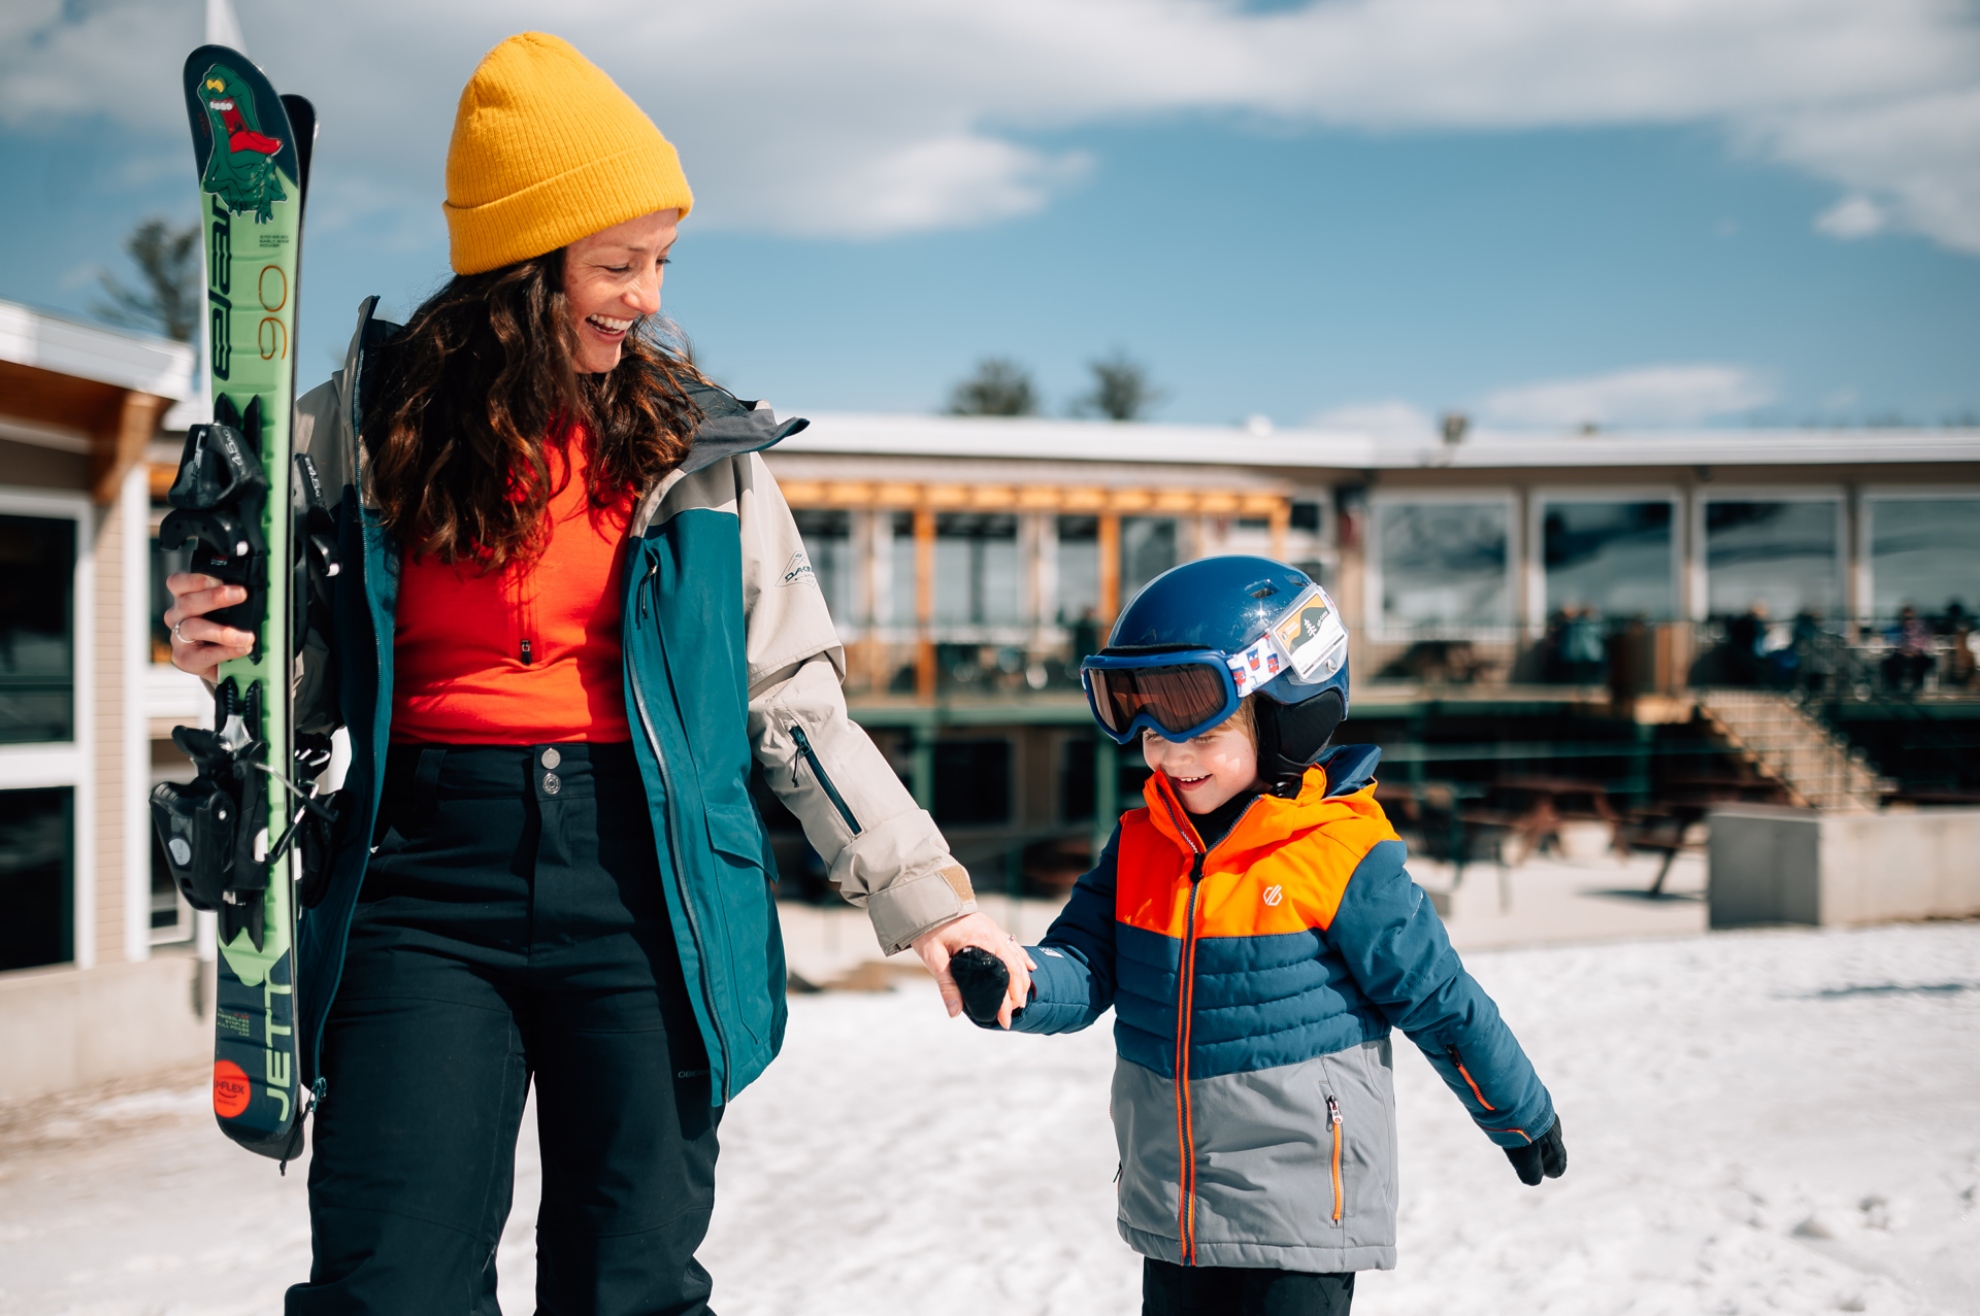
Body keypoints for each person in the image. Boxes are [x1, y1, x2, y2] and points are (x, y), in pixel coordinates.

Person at [162, 32, 1031, 1314]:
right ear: (519, 268)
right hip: (422, 882)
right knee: (387, 1281)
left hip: (646, 883)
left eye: (660, 262)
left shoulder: (700, 451)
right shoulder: (352, 430)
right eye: (615, 263)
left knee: (631, 1283)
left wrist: (928, 897)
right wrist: (205, 628)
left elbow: (791, 703)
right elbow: (269, 649)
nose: (645, 295)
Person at [953, 557, 1564, 1316]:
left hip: (1299, 1215)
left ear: (1284, 712)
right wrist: (1021, 980)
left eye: (1199, 731)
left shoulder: (1340, 855)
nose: (1167, 752)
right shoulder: (1141, 844)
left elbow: (1439, 1000)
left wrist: (1518, 1111)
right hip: (1173, 1209)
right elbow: (1085, 964)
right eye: (1140, 722)